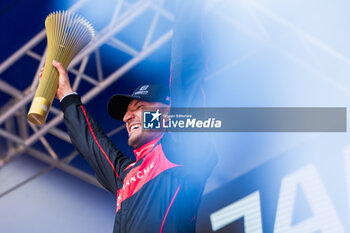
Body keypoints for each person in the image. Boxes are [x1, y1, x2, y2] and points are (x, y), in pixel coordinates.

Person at [47, 1, 217, 232]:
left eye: (139, 107)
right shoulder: (126, 175)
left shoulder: (179, 148)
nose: (127, 117)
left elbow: (186, 73)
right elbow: (92, 144)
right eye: (127, 112)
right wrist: (66, 94)